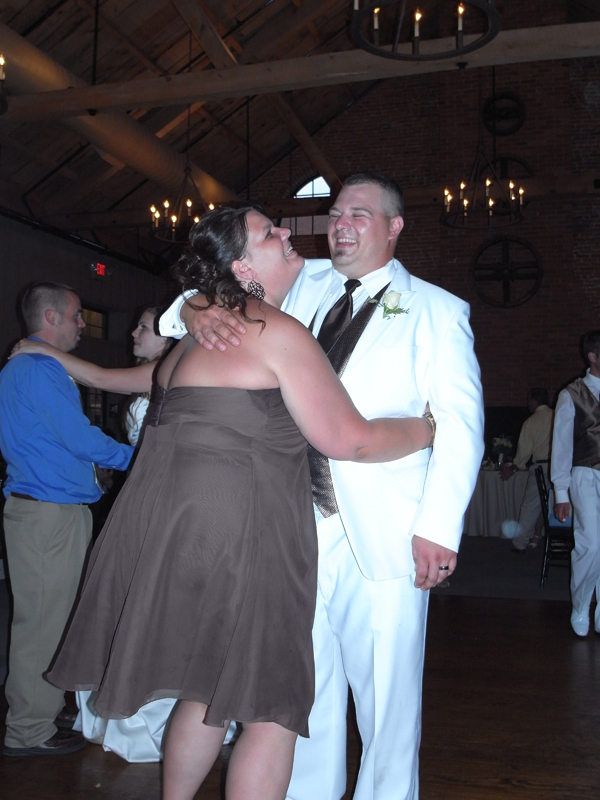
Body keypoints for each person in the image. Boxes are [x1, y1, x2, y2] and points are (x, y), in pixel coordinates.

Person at [21, 205, 433, 800]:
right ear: (241, 266)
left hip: (175, 531)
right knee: (269, 705)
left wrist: (192, 306)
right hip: (249, 536)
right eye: (269, 232)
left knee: (206, 688)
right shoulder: (272, 332)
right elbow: (351, 440)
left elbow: (145, 380)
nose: (287, 232)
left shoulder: (194, 340)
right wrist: (426, 429)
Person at [160, 173, 485, 800]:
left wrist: (438, 528)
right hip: (288, 528)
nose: (342, 224)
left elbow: (461, 426)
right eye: (336, 213)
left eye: (360, 214)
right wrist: (200, 311)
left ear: (394, 227)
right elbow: (194, 298)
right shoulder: (301, 282)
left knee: (387, 698)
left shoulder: (439, 312)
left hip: (385, 531)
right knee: (297, 690)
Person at [0, 282, 134, 758]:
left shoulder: (28, 367)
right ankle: (27, 729)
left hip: (45, 510)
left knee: (50, 618)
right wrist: (138, 457)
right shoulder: (39, 369)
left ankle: (42, 707)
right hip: (48, 513)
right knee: (42, 624)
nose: (82, 324)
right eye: (77, 315)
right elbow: (81, 439)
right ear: (51, 318)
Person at [552, 330, 600, 637]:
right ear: (593, 357)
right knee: (591, 544)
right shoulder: (572, 394)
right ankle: (581, 606)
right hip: (585, 474)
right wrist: (561, 491)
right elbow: (561, 445)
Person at [501, 388, 553, 552]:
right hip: (561, 467)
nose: (527, 404)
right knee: (554, 503)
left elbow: (523, 453)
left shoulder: (531, 422)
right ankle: (549, 537)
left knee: (530, 506)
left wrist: (514, 467)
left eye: (529, 400)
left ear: (534, 401)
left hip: (541, 467)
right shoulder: (558, 415)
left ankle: (520, 543)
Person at [124, 306, 172, 446]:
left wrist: (62, 359)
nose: (134, 333)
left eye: (143, 327)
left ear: (164, 337)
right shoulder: (153, 371)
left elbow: (98, 378)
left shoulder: (159, 370)